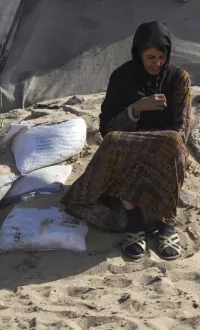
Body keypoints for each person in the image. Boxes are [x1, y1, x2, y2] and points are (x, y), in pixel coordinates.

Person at [62, 21, 193, 261]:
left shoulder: (178, 79)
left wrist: (156, 142)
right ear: (138, 54)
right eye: (151, 57)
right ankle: (135, 224)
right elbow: (106, 128)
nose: (157, 63)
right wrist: (136, 109)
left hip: (164, 158)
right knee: (115, 141)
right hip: (127, 153)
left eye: (162, 57)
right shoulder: (122, 77)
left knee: (173, 142)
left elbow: (182, 128)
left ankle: (166, 223)